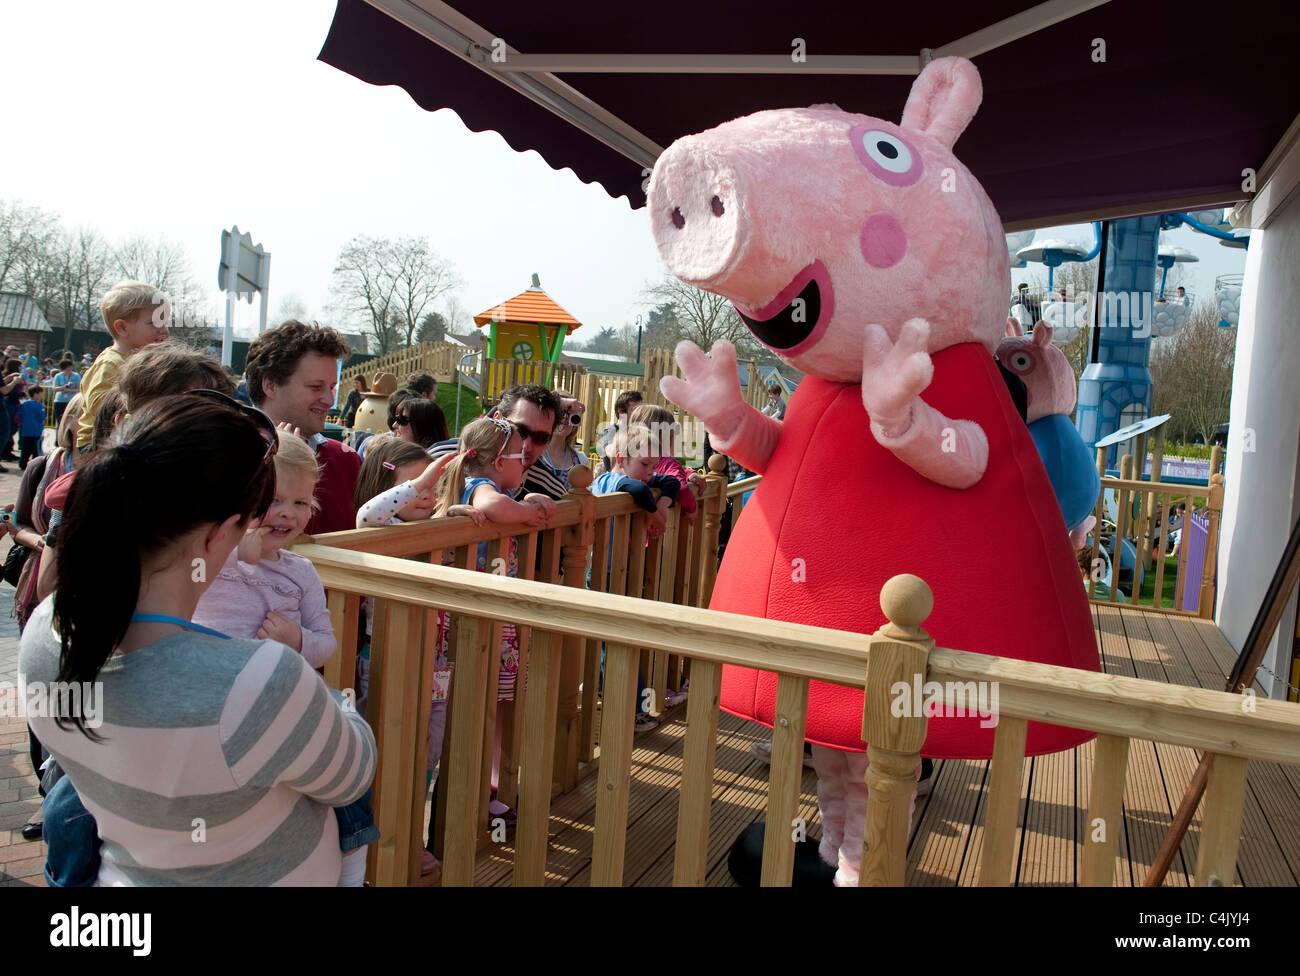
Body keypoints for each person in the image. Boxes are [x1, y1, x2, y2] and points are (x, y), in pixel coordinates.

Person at [19, 392, 376, 885]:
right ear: (222, 533)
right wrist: (342, 708)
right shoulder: (261, 681)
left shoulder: (48, 628)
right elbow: (351, 776)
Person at [191, 429, 378, 887]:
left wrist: (296, 638)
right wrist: (234, 550)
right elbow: (183, 594)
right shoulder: (212, 555)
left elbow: (326, 643)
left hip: (288, 692)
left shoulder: (302, 572)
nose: (286, 514)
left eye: (299, 503)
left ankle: (353, 864)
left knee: (351, 729)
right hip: (216, 691)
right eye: (273, 501)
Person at [354, 438, 483, 879]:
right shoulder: (376, 531)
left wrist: (453, 515)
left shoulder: (433, 530)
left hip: (436, 665)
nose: (427, 495)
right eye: (415, 487)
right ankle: (379, 843)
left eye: (433, 485)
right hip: (388, 660)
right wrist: (422, 487)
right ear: (386, 488)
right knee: (385, 752)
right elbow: (367, 515)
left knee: (425, 755)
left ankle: (409, 832)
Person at [434, 417, 549, 816]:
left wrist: (528, 502)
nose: (527, 464)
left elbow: (506, 503)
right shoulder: (480, 488)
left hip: (494, 621)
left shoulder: (498, 485)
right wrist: (523, 512)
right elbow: (492, 507)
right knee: (473, 705)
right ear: (500, 462)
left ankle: (488, 782)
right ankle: (469, 790)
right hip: (477, 623)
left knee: (495, 702)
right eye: (523, 458)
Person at [592, 423, 681, 732]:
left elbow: (669, 482)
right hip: (601, 574)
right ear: (620, 458)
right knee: (615, 643)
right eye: (644, 464)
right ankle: (629, 711)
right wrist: (656, 513)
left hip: (622, 573)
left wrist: (664, 503)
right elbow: (640, 489)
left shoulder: (635, 475)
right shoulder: (607, 480)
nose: (649, 472)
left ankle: (632, 709)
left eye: (652, 465)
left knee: (624, 642)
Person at [243, 320, 360, 534]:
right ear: (270, 385)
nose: (328, 400)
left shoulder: (346, 460)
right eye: (315, 387)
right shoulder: (227, 457)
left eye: (332, 388)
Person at [429, 383, 563, 514]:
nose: (526, 445)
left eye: (540, 437)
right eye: (519, 430)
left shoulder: (551, 492)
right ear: (496, 419)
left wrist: (529, 504)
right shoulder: (437, 459)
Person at [75, 282, 169, 451]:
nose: (165, 331)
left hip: (130, 435)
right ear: (123, 328)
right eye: (155, 323)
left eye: (165, 323)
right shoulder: (110, 363)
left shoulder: (149, 364)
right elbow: (101, 407)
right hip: (98, 442)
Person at [629, 403, 704, 516]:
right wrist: (692, 510)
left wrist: (687, 473)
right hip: (655, 525)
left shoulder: (627, 460)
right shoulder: (668, 463)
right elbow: (681, 489)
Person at [533, 389, 588, 496]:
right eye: (560, 412)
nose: (565, 417)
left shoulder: (581, 460)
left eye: (570, 413)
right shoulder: (531, 454)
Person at [597, 390, 643, 474]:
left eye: (641, 410)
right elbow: (610, 452)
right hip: (616, 480)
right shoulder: (611, 431)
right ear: (621, 412)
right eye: (635, 410)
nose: (640, 414)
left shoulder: (640, 431)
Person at [17, 389, 45, 470]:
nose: (42, 396)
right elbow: (42, 418)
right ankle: (36, 466)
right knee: (36, 450)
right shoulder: (40, 405)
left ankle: (22, 464)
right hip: (37, 431)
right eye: (40, 394)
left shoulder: (24, 404)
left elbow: (20, 416)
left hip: (26, 430)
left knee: (25, 449)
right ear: (35, 394)